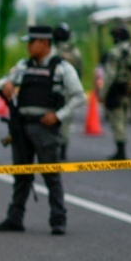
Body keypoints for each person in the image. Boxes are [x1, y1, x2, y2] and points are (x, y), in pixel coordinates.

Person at [0, 25, 85, 235]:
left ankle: (58, 220)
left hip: (45, 128)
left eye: (31, 42)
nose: (28, 46)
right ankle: (14, 218)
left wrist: (59, 115)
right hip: (21, 126)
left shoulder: (62, 67)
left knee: (51, 175)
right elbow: (3, 81)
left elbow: (79, 96)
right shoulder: (24, 65)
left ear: (44, 43)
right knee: (21, 175)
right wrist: (5, 85)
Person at [99, 25, 131, 161]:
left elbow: (110, 74)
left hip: (116, 89)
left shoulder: (115, 52)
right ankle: (121, 149)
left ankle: (120, 151)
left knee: (116, 121)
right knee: (124, 118)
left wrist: (103, 93)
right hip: (129, 89)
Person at [52, 23, 84, 160]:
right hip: (69, 91)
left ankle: (53, 148)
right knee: (66, 120)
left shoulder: (52, 51)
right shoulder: (75, 52)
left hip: (53, 90)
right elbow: (80, 71)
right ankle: (63, 150)